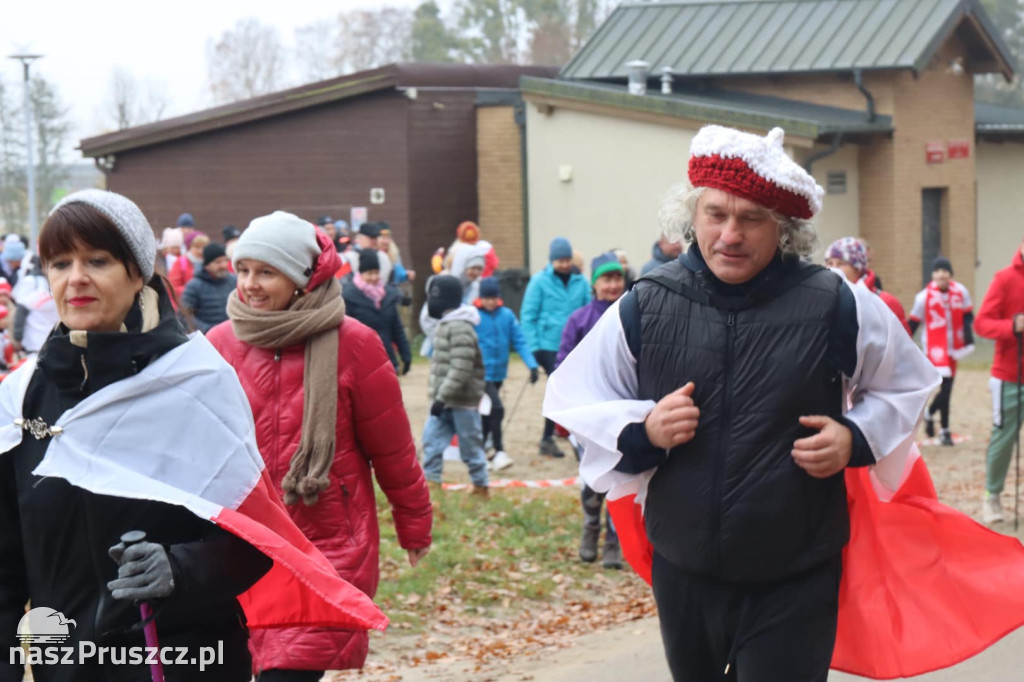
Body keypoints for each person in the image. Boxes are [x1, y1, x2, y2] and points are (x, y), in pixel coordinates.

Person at [543, 125, 939, 682]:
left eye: (751, 218)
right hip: (685, 569)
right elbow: (573, 396)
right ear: (692, 214)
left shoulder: (836, 304)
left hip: (796, 568)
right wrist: (645, 428)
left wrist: (854, 436)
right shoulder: (645, 304)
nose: (730, 234)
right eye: (715, 214)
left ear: (783, 228)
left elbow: (908, 382)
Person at [0, 190, 276, 681]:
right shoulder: (21, 399)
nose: (76, 278)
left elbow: (255, 537)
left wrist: (181, 568)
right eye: (60, 263)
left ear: (138, 272)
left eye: (98, 260)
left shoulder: (198, 383)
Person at [206, 210, 432, 680]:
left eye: (267, 271)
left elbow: (393, 451)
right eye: (243, 269)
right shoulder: (218, 345)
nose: (250, 283)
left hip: (326, 548)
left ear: (303, 278)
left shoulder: (356, 345)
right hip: (239, 548)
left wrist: (414, 525)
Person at [554, 252, 626, 569]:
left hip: (622, 414)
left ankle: (614, 540)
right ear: (595, 284)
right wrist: (565, 410)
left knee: (620, 478)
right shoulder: (580, 319)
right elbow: (564, 364)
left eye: (617, 278)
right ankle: (590, 527)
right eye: (607, 279)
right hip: (588, 415)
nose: (613, 285)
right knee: (593, 478)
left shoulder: (630, 316)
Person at [520, 236, 590, 458]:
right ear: (551, 261)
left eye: (566, 259)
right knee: (560, 391)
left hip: (575, 345)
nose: (563, 264)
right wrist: (534, 347)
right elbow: (528, 315)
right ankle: (552, 438)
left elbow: (588, 311)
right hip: (548, 345)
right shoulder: (539, 282)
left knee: (574, 392)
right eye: (559, 260)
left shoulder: (582, 283)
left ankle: (566, 437)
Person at [421, 274, 489, 500]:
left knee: (470, 447)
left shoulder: (460, 327)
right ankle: (432, 485)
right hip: (443, 402)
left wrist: (442, 396)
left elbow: (461, 367)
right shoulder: (446, 324)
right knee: (431, 442)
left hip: (462, 402)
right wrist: (438, 398)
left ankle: (481, 487)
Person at [973, 235, 1024, 524]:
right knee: (1004, 438)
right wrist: (1012, 326)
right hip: (1010, 374)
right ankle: (992, 495)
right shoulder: (1005, 279)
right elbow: (982, 323)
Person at [474, 276, 540, 472]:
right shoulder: (474, 316)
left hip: (498, 373)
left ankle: (482, 452)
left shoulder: (507, 316)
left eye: (494, 297)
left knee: (487, 414)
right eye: (487, 298)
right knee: (497, 408)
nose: (491, 301)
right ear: (481, 298)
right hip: (480, 374)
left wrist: (532, 365)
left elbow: (519, 341)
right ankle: (499, 449)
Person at [909, 257, 974, 446]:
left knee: (947, 389)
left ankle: (938, 422)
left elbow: (968, 315)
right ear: (933, 275)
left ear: (951, 275)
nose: (941, 274)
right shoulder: (923, 297)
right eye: (937, 270)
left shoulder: (960, 292)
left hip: (954, 348)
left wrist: (968, 337)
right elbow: (913, 322)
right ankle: (941, 425)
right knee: (942, 387)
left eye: (945, 270)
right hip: (934, 348)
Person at [341, 249, 412, 374]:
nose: (374, 277)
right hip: (361, 363)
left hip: (387, 359)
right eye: (369, 273)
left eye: (376, 273)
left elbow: (397, 329)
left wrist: (405, 355)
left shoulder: (388, 295)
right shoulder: (349, 297)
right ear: (361, 273)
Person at [824, 237, 910, 334]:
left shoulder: (886, 302)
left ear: (857, 269)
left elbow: (901, 344)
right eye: (829, 263)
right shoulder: (822, 299)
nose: (834, 269)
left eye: (841, 264)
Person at [182, 242, 237, 333]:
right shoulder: (194, 286)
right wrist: (208, 330)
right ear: (207, 265)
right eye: (218, 262)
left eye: (225, 260)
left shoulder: (234, 280)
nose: (223, 265)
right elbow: (185, 316)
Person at [168, 230, 209, 299]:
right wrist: (193, 291)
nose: (201, 251)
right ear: (189, 247)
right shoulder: (180, 262)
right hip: (186, 304)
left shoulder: (209, 263)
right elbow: (172, 286)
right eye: (197, 247)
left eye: (204, 247)